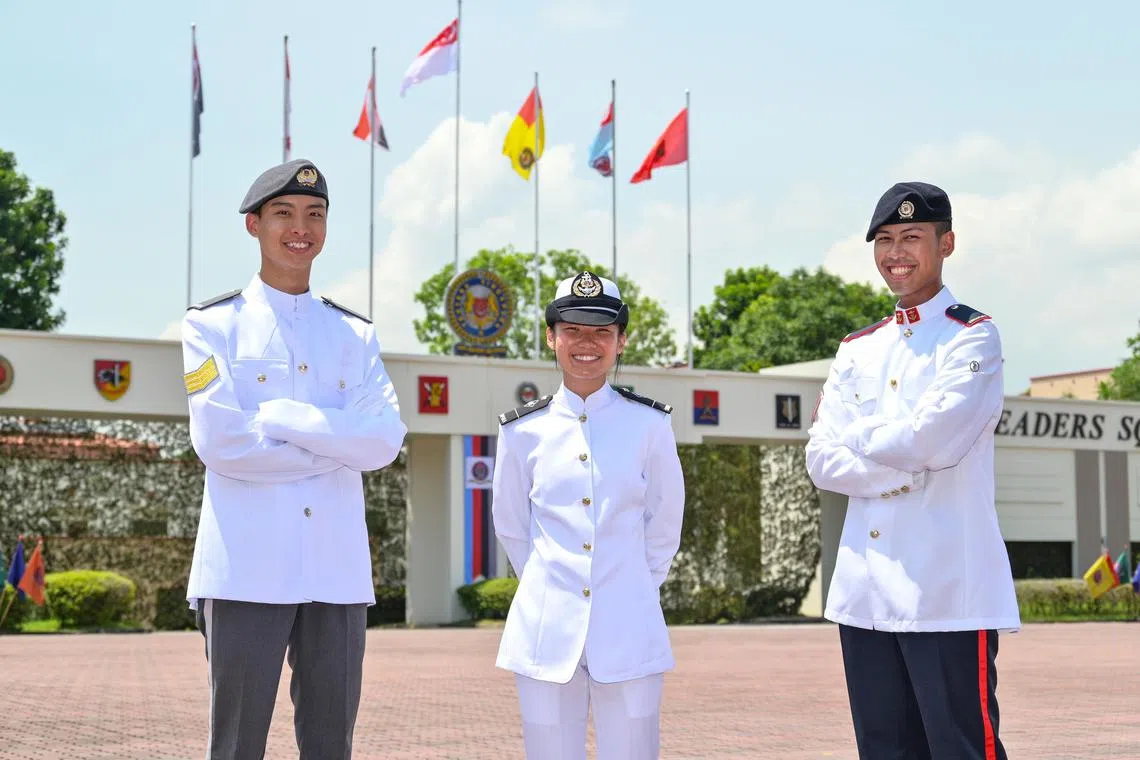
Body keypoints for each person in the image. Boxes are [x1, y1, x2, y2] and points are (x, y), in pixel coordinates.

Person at [180, 158, 407, 759]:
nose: (299, 227)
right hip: (246, 570)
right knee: (236, 747)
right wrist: (336, 447)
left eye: (315, 214)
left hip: (336, 571)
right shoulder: (212, 326)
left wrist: (287, 422)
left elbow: (384, 441)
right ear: (253, 224)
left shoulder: (354, 336)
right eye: (283, 213)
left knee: (332, 747)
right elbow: (222, 444)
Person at [805, 181, 1020, 760]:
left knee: (960, 748)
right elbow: (820, 461)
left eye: (912, 237)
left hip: (946, 592)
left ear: (946, 243)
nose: (895, 252)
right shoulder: (858, 348)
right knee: (884, 750)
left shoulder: (972, 337)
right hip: (864, 595)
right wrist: (898, 467)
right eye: (885, 240)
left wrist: (856, 436)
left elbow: (937, 439)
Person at [491, 271, 686, 760]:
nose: (586, 343)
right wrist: (549, 585)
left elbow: (664, 524)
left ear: (621, 342)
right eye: (573, 330)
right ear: (552, 338)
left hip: (629, 624)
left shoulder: (649, 424)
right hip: (545, 628)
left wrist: (630, 586)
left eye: (601, 331)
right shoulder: (522, 433)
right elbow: (512, 526)